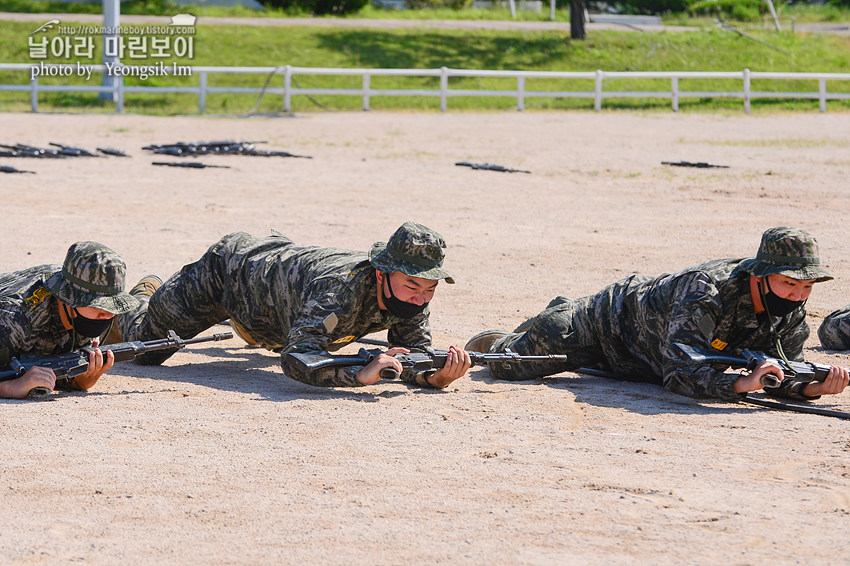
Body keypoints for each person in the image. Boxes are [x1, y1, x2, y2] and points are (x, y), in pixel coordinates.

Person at [466, 226, 849, 402]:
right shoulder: (706, 291)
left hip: (644, 359)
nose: (798, 296)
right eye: (789, 284)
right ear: (760, 275)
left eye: (807, 287)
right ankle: (527, 328)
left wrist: (813, 387)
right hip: (604, 327)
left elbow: (785, 373)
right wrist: (739, 385)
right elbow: (680, 374)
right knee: (507, 366)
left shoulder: (791, 314)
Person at [114, 222, 471, 389]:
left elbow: (413, 353)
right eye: (412, 285)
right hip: (228, 274)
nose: (421, 297)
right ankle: (143, 298)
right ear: (382, 274)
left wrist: (433, 375)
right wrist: (359, 375)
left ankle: (256, 328)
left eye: (430, 288)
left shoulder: (411, 296)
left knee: (289, 329)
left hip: (274, 302)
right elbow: (297, 358)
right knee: (145, 350)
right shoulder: (340, 290)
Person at [0, 241, 140, 399]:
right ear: (68, 298)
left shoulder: (83, 313)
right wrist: (8, 388)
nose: (107, 315)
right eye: (98, 306)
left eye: (113, 307)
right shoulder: (14, 319)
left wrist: (82, 380)